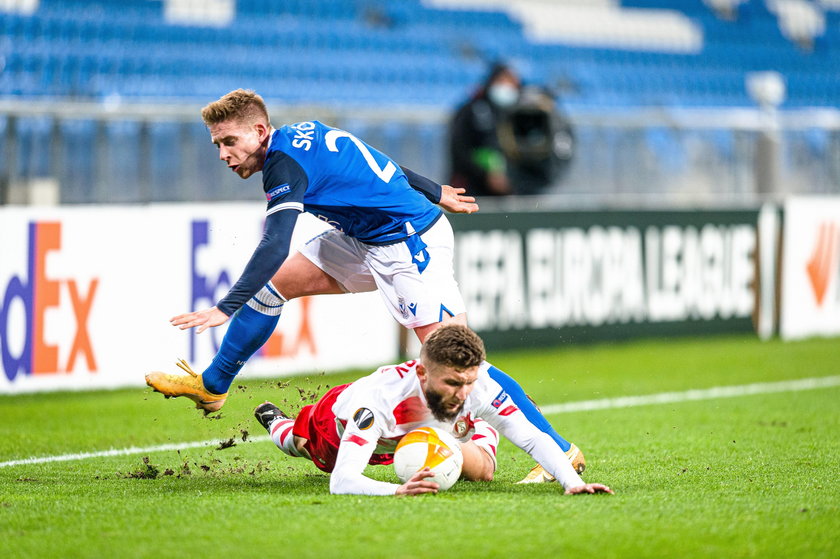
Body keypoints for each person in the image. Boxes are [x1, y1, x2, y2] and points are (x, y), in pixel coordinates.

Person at [145, 88, 579, 484]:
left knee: (459, 360)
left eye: (229, 142)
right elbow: (376, 160)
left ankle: (561, 451)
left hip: (408, 245)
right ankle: (214, 383)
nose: (223, 154)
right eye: (217, 144)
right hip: (364, 237)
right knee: (272, 289)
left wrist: (225, 306)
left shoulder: (282, 164)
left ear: (259, 131)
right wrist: (432, 189)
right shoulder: (301, 134)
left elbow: (275, 241)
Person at [253, 324, 612, 496]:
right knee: (299, 443)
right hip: (341, 429)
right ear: (422, 372)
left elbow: (533, 438)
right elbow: (342, 482)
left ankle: (475, 425)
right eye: (453, 384)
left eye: (469, 381)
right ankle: (277, 423)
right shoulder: (378, 401)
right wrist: (395, 491)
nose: (463, 391)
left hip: (422, 432)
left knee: (484, 471)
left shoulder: (476, 385)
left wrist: (573, 483)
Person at [448, 62, 522, 197]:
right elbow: (460, 150)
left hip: (507, 193)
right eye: (503, 80)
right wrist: (487, 174)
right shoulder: (471, 110)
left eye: (512, 82)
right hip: (470, 190)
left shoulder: (517, 112)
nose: (507, 87)